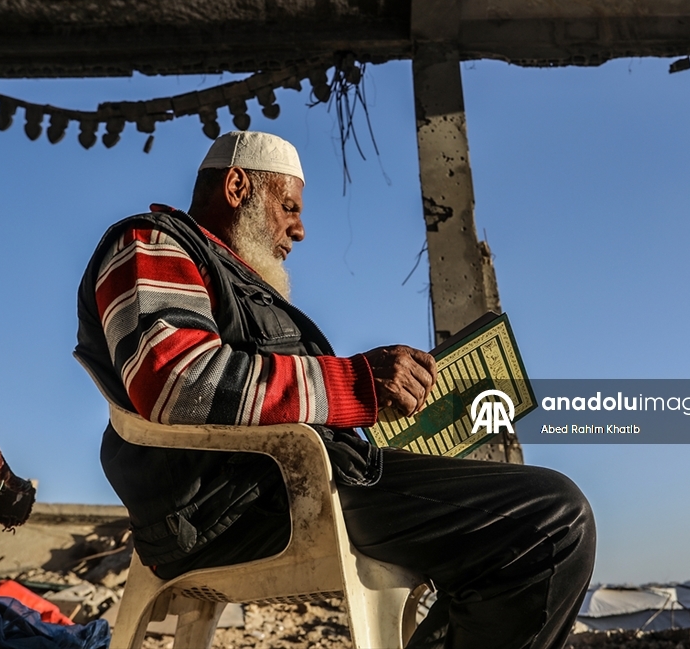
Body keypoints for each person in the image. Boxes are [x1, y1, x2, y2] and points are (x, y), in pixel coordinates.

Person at [76, 131, 595, 649]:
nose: (299, 230)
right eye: (288, 207)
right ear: (236, 186)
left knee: (514, 537)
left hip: (292, 485)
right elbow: (178, 383)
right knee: (551, 520)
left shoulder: (233, 275)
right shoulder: (152, 242)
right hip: (240, 502)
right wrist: (359, 383)